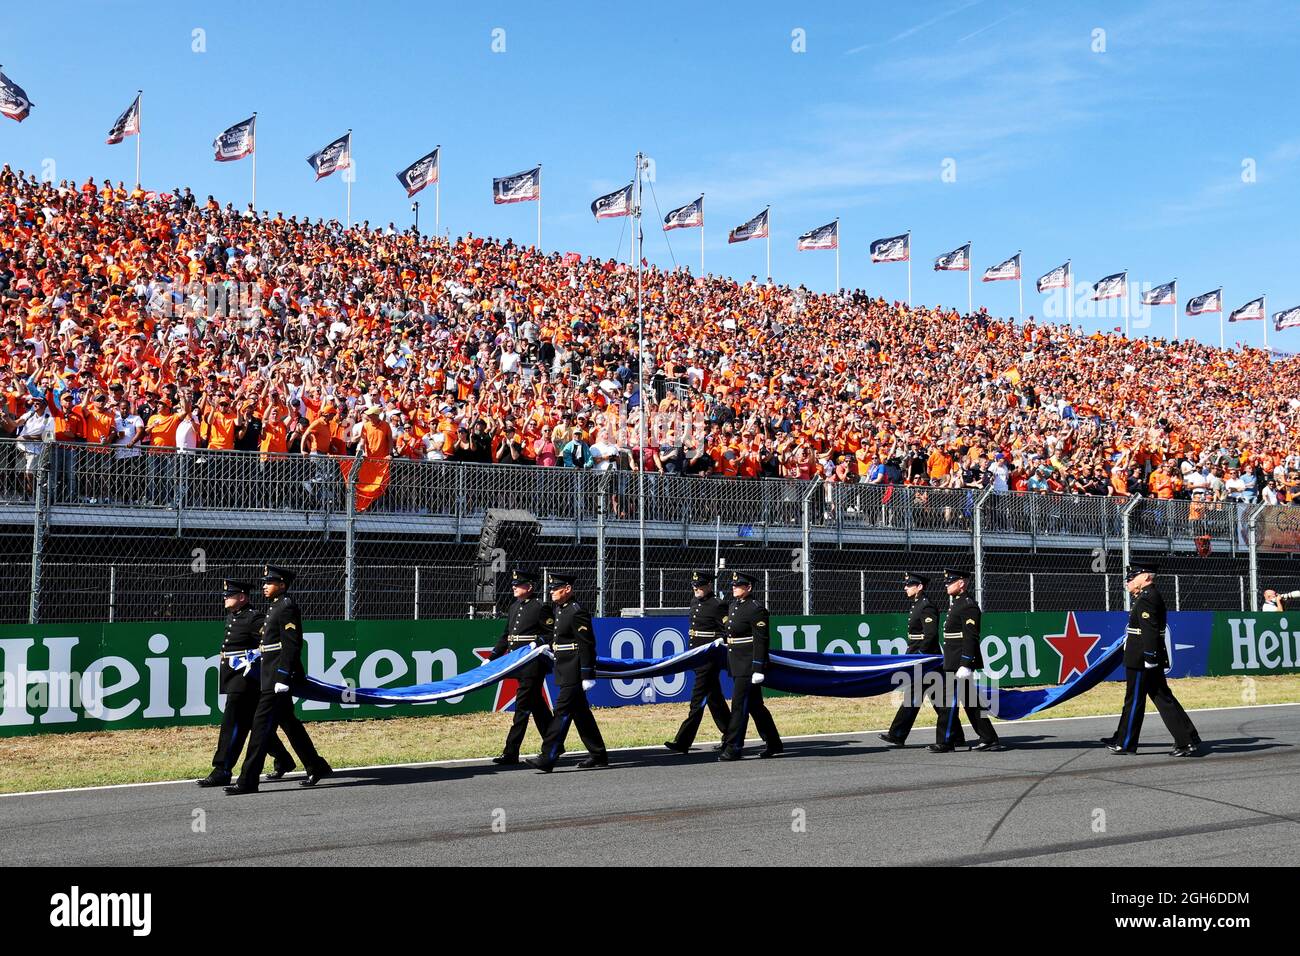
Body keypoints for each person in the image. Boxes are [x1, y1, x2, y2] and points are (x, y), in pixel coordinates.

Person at [225, 566, 333, 795]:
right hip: (269, 675)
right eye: (264, 582)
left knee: (260, 728)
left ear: (282, 585)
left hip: (276, 678)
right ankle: (316, 765)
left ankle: (247, 781)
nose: (264, 585)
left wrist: (284, 676)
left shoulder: (286, 606)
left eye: (270, 582)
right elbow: (271, 645)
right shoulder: (275, 606)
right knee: (290, 724)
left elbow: (292, 643)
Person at [196, 580, 295, 787]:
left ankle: (222, 769)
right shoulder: (233, 616)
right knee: (251, 724)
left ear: (242, 597)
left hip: (245, 680)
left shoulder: (254, 618)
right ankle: (283, 759)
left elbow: (271, 641)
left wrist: (256, 659)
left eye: (229, 595)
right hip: (233, 677)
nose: (225, 598)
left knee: (232, 724)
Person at [1103, 561, 1202, 756]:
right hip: (1143, 655)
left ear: (1146, 577)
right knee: (1162, 697)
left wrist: (1149, 656)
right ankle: (1188, 738)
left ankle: (1126, 743)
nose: (1129, 579)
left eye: (1134, 575)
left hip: (1141, 658)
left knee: (1135, 700)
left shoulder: (1147, 598)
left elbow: (1149, 630)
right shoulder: (1145, 596)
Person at [527, 573, 608, 772]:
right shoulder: (561, 609)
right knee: (581, 714)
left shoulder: (576, 611)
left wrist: (587, 674)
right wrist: (542, 644)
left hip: (574, 669)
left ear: (568, 589)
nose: (552, 591)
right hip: (563, 667)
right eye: (551, 588)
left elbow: (587, 645)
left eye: (556, 588)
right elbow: (558, 638)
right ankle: (598, 754)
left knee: (561, 711)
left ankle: (548, 756)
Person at [931, 568, 1003, 753]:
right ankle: (989, 738)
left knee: (948, 701)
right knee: (972, 702)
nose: (947, 584)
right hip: (953, 661)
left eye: (951, 581)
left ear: (961, 583)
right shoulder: (957, 603)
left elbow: (971, 637)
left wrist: (965, 663)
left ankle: (946, 741)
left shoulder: (968, 605)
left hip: (959, 664)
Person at [487, 569, 555, 765]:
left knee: (522, 707)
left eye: (518, 584)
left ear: (530, 587)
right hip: (518, 663)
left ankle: (511, 752)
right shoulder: (514, 606)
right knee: (537, 705)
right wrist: (492, 657)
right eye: (514, 584)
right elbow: (506, 636)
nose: (514, 587)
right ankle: (554, 743)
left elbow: (551, 634)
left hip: (533, 664)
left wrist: (537, 642)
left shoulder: (540, 607)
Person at [664, 570, 731, 754]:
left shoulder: (717, 605)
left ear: (709, 585)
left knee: (697, 700)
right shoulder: (695, 602)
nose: (696, 588)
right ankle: (731, 735)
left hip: (708, 660)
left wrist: (719, 641)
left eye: (700, 585)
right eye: (694, 585)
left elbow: (727, 630)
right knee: (714, 699)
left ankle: (683, 741)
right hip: (696, 658)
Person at [719, 571, 783, 761]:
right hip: (737, 662)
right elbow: (732, 632)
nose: (734, 588)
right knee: (756, 706)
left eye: (738, 585)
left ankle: (734, 747)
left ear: (749, 588)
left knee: (739, 706)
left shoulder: (755, 609)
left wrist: (758, 668)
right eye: (733, 585)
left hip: (748, 665)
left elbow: (761, 640)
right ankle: (774, 743)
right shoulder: (734, 606)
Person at [879, 572, 942, 747]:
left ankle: (897, 734)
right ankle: (955, 736)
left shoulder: (926, 606)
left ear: (920, 587)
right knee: (936, 699)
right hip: (918, 657)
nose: (905, 587)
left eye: (909, 584)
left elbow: (930, 635)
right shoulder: (918, 605)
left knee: (915, 695)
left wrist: (921, 656)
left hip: (926, 659)